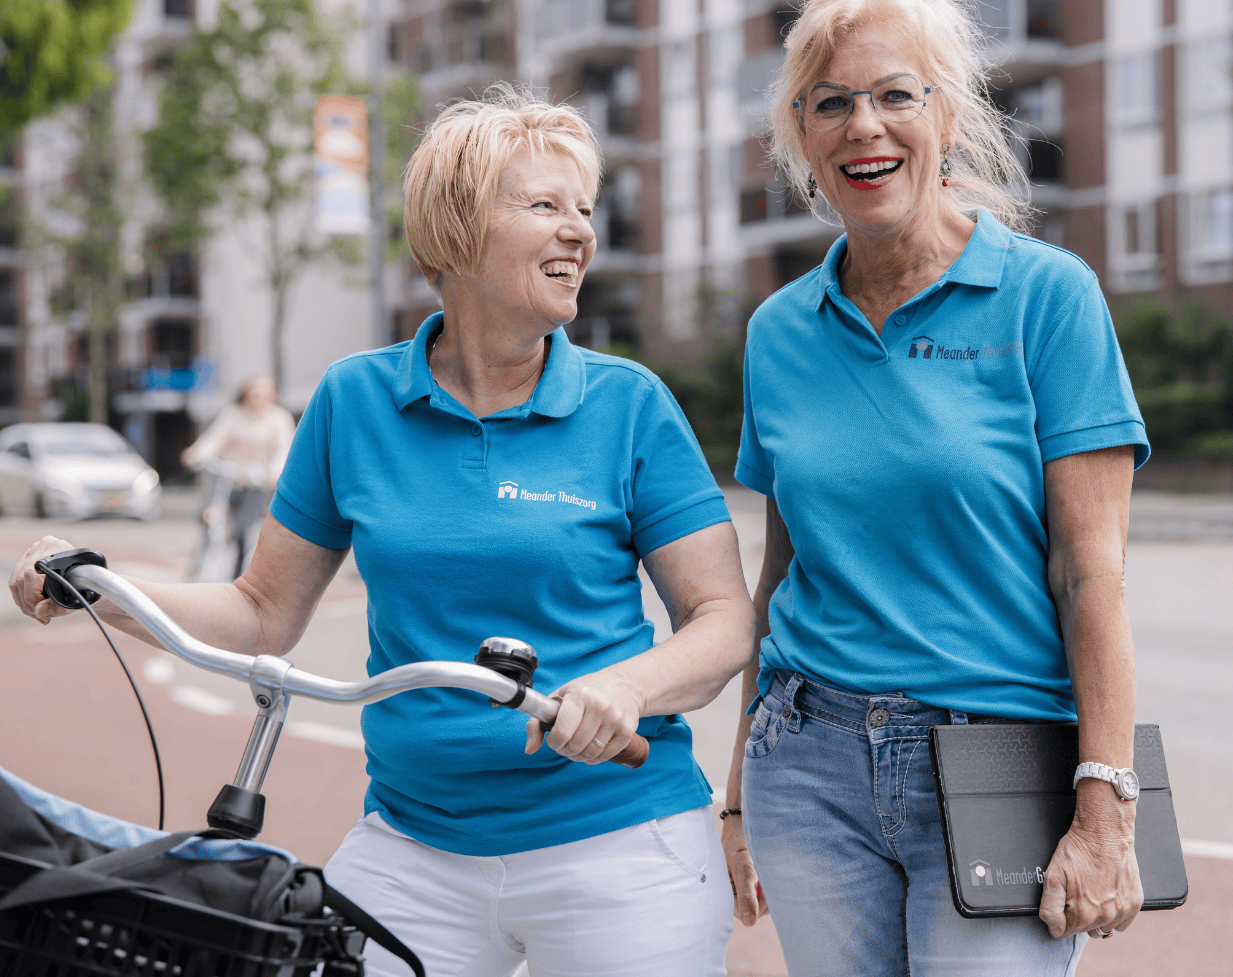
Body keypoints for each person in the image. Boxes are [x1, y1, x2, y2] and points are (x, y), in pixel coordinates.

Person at [11, 86, 756, 977]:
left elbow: (723, 618)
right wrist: (96, 585)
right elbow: (261, 613)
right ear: (457, 227)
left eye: (584, 211)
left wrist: (627, 689)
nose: (580, 233)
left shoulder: (628, 405)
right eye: (546, 206)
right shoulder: (353, 400)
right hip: (413, 843)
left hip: (620, 837)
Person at [718, 0, 1150, 977]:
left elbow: (1091, 573)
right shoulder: (779, 331)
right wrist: (737, 789)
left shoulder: (1050, 297)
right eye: (831, 104)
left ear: (947, 117)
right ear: (804, 141)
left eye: (894, 95)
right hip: (808, 761)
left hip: (1001, 758)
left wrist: (1106, 803)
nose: (864, 125)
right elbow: (780, 577)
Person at [182, 375, 296, 577]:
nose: (256, 399)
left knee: (245, 531)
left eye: (262, 395)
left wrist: (275, 471)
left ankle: (238, 576)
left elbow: (284, 449)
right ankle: (199, 566)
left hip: (256, 484)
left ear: (271, 396)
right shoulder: (233, 415)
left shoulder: (279, 419)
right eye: (252, 394)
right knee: (211, 521)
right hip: (226, 480)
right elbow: (214, 438)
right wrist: (197, 453)